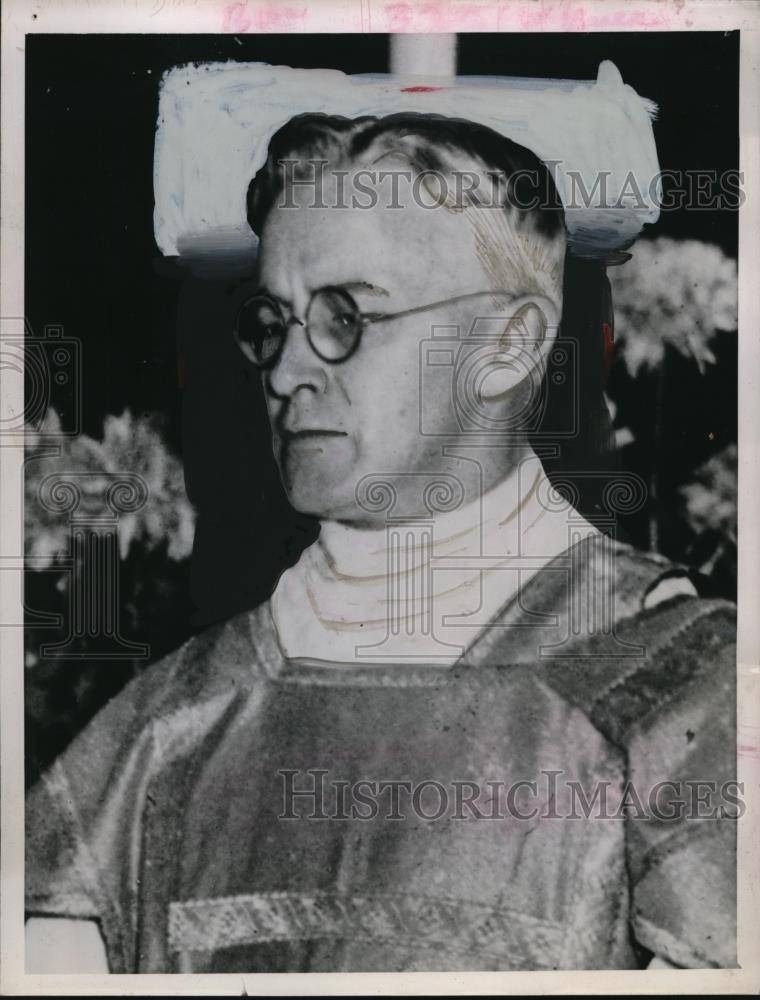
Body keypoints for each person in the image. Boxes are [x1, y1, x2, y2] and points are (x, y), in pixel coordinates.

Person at [25, 113, 736, 973]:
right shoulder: (166, 724)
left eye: (347, 316)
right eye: (273, 321)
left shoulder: (672, 682)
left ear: (510, 347)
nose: (286, 372)